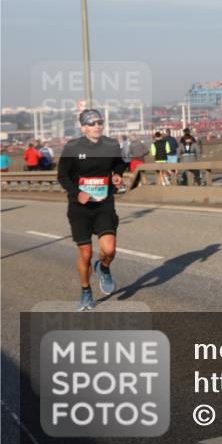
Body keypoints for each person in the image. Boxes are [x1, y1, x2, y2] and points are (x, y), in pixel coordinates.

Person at [56, 109, 127, 311]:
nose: (96, 126)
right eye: (91, 123)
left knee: (109, 249)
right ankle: (86, 291)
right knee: (85, 254)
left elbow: (120, 164)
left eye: (99, 122)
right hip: (80, 207)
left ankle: (103, 268)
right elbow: (62, 175)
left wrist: (118, 175)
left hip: (104, 202)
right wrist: (76, 192)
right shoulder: (73, 147)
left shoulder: (111, 144)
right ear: (83, 127)